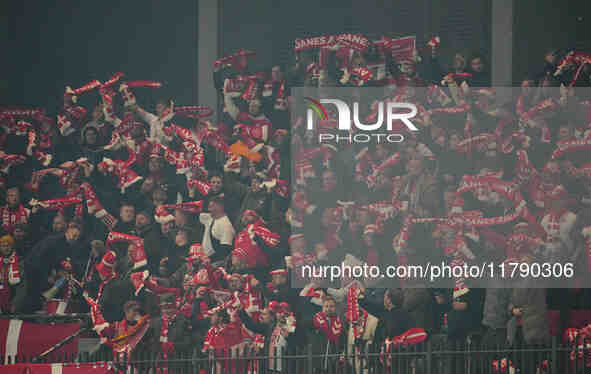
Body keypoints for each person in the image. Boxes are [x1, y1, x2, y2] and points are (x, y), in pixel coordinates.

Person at [199, 196, 235, 263]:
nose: (208, 209)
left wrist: (210, 259)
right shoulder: (209, 217)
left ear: (220, 207)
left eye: (211, 206)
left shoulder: (226, 226)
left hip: (214, 263)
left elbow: (225, 250)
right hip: (203, 258)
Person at [0, 234, 26, 314]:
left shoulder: (19, 262)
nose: (6, 248)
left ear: (12, 247)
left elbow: (22, 287)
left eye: (8, 245)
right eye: (3, 246)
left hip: (14, 304)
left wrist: (15, 304)